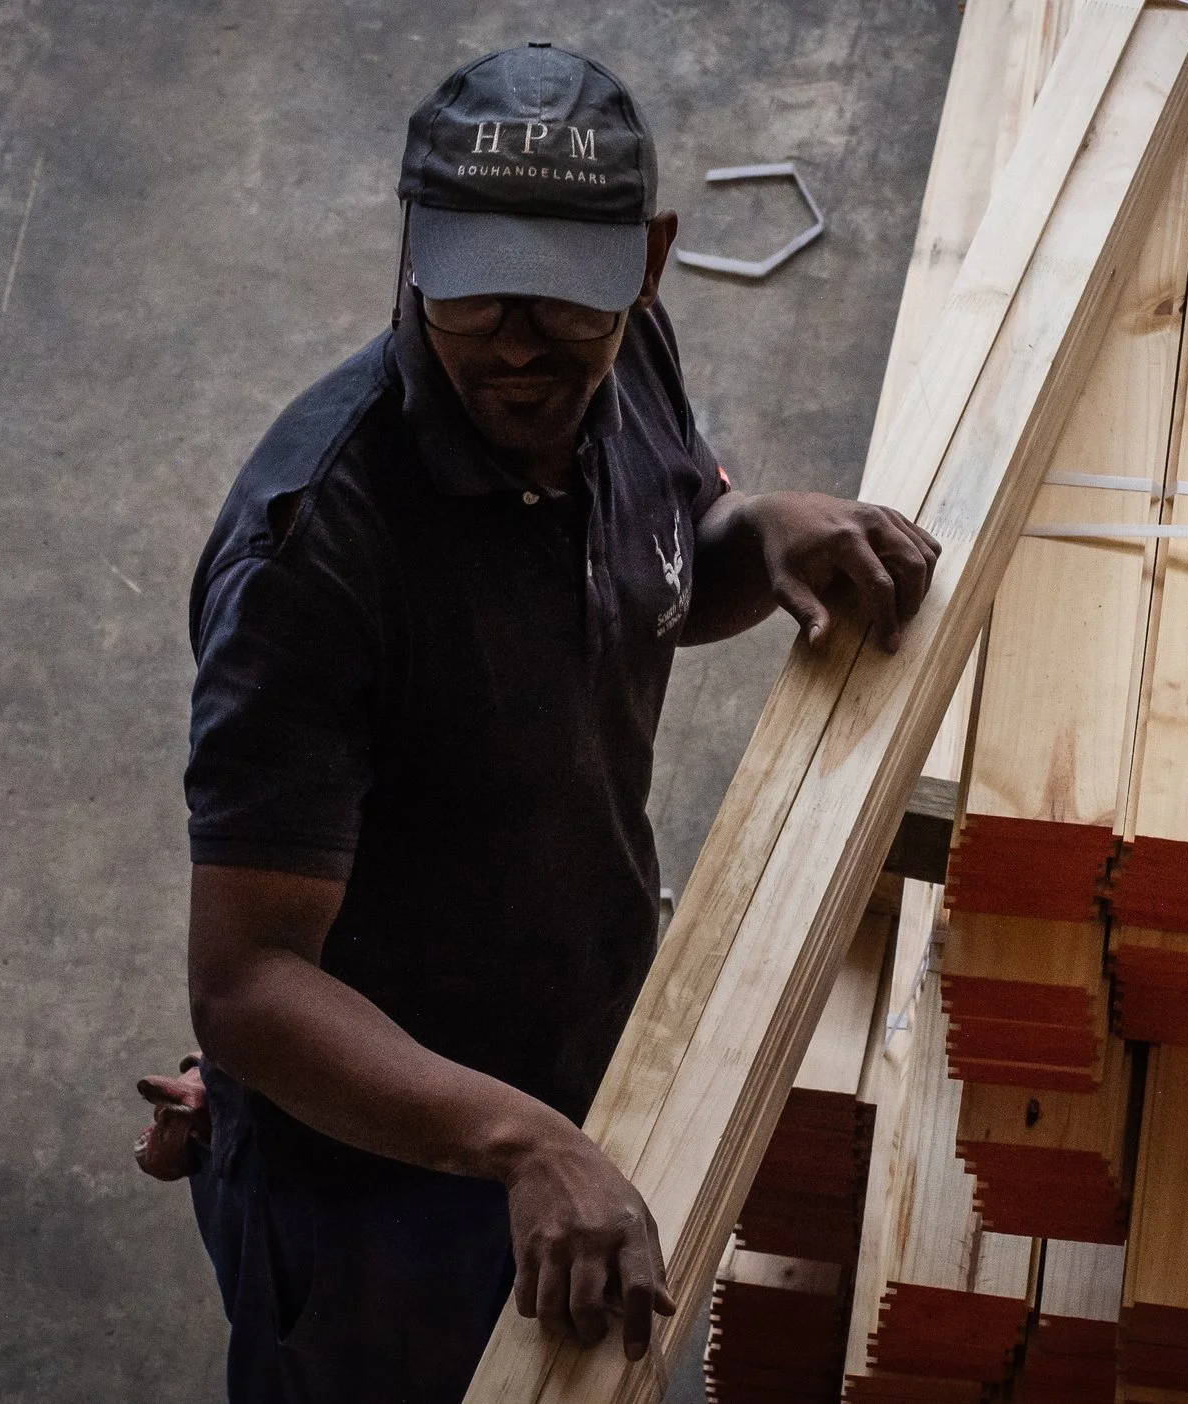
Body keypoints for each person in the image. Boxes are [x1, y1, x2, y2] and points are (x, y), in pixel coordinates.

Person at [148, 41, 939, 1404]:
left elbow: (656, 571)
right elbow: (248, 983)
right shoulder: (312, 558)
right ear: (411, 255)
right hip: (380, 1183)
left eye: (567, 297)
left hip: (582, 1037)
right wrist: (519, 1144)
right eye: (477, 294)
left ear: (648, 262)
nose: (518, 340)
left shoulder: (620, 370)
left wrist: (759, 534)